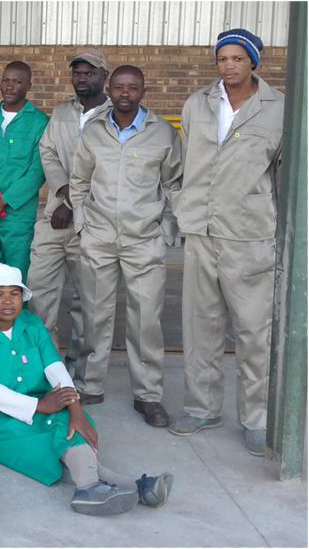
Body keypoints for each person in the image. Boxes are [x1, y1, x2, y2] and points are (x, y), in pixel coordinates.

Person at [0, 263, 173, 516]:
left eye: (14, 293)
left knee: (69, 424)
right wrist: (40, 406)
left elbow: (54, 366)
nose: (8, 301)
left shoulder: (31, 323)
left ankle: (94, 487)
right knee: (48, 436)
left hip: (35, 401)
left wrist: (75, 409)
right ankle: (127, 486)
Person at [169, 29, 285, 456]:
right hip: (201, 230)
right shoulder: (198, 104)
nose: (229, 66)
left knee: (254, 330)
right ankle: (202, 408)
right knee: (201, 326)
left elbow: (283, 173)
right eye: (222, 58)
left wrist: (281, 231)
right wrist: (181, 206)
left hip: (249, 234)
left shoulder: (278, 109)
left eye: (237, 58)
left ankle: (257, 418)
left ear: (253, 61)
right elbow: (185, 163)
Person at [69, 65, 182, 428]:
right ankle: (90, 384)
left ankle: (148, 395)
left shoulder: (162, 133)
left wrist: (166, 229)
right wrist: (83, 223)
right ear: (110, 88)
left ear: (142, 90)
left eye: (132, 87)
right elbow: (79, 179)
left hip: (144, 239)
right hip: (99, 236)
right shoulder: (94, 130)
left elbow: (174, 184)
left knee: (145, 320)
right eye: (118, 86)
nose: (124, 93)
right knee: (94, 314)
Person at [27, 50, 111, 376]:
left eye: (89, 73)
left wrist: (74, 203)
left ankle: (80, 369)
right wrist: (63, 191)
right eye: (77, 73)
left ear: (103, 76)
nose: (82, 78)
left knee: (87, 300)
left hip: (93, 220)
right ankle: (46, 366)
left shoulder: (114, 115)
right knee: (39, 290)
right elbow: (47, 151)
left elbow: (107, 170)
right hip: (54, 215)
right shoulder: (62, 112)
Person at [0, 61, 49, 282]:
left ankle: (18, 308)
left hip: (17, 214)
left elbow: (37, 170)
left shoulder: (40, 122)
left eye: (17, 81)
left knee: (17, 276)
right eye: (6, 80)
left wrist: (4, 200)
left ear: (29, 85)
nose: (9, 86)